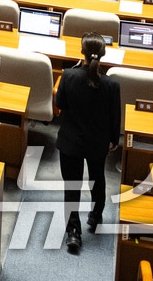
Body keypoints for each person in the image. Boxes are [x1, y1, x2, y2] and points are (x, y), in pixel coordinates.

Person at [54, 31, 120, 254]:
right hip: (97, 143)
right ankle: (96, 214)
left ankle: (74, 232)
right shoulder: (112, 85)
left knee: (71, 187)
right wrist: (113, 140)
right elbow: (114, 116)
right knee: (97, 179)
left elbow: (60, 103)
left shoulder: (68, 76)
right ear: (102, 55)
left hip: (70, 142)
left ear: (82, 52)